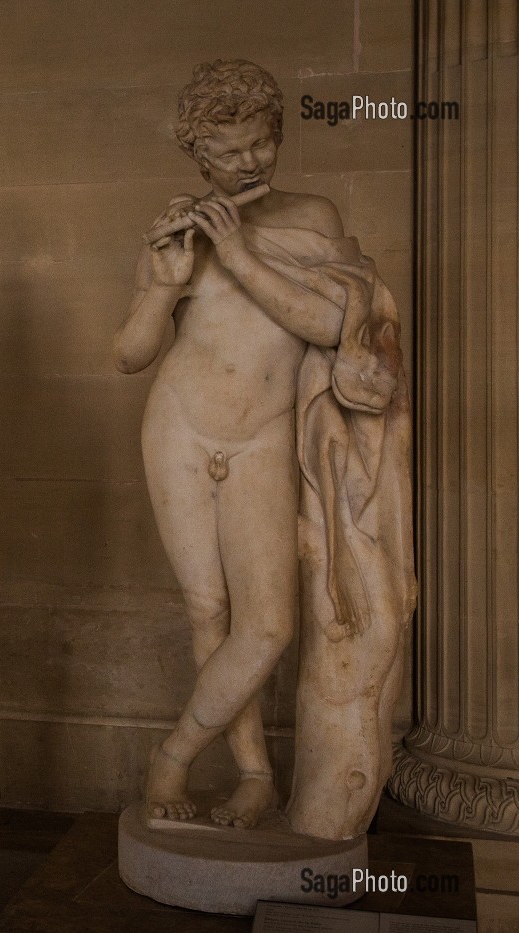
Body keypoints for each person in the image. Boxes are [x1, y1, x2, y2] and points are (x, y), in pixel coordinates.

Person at [115, 60, 364, 829]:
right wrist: (163, 283)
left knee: (269, 625)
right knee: (209, 611)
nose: (249, 162)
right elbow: (129, 353)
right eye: (228, 153)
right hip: (180, 429)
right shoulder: (181, 226)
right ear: (199, 157)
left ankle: (174, 757)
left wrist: (242, 254)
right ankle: (254, 774)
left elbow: (332, 325)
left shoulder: (313, 219)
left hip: (262, 438)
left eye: (260, 143)